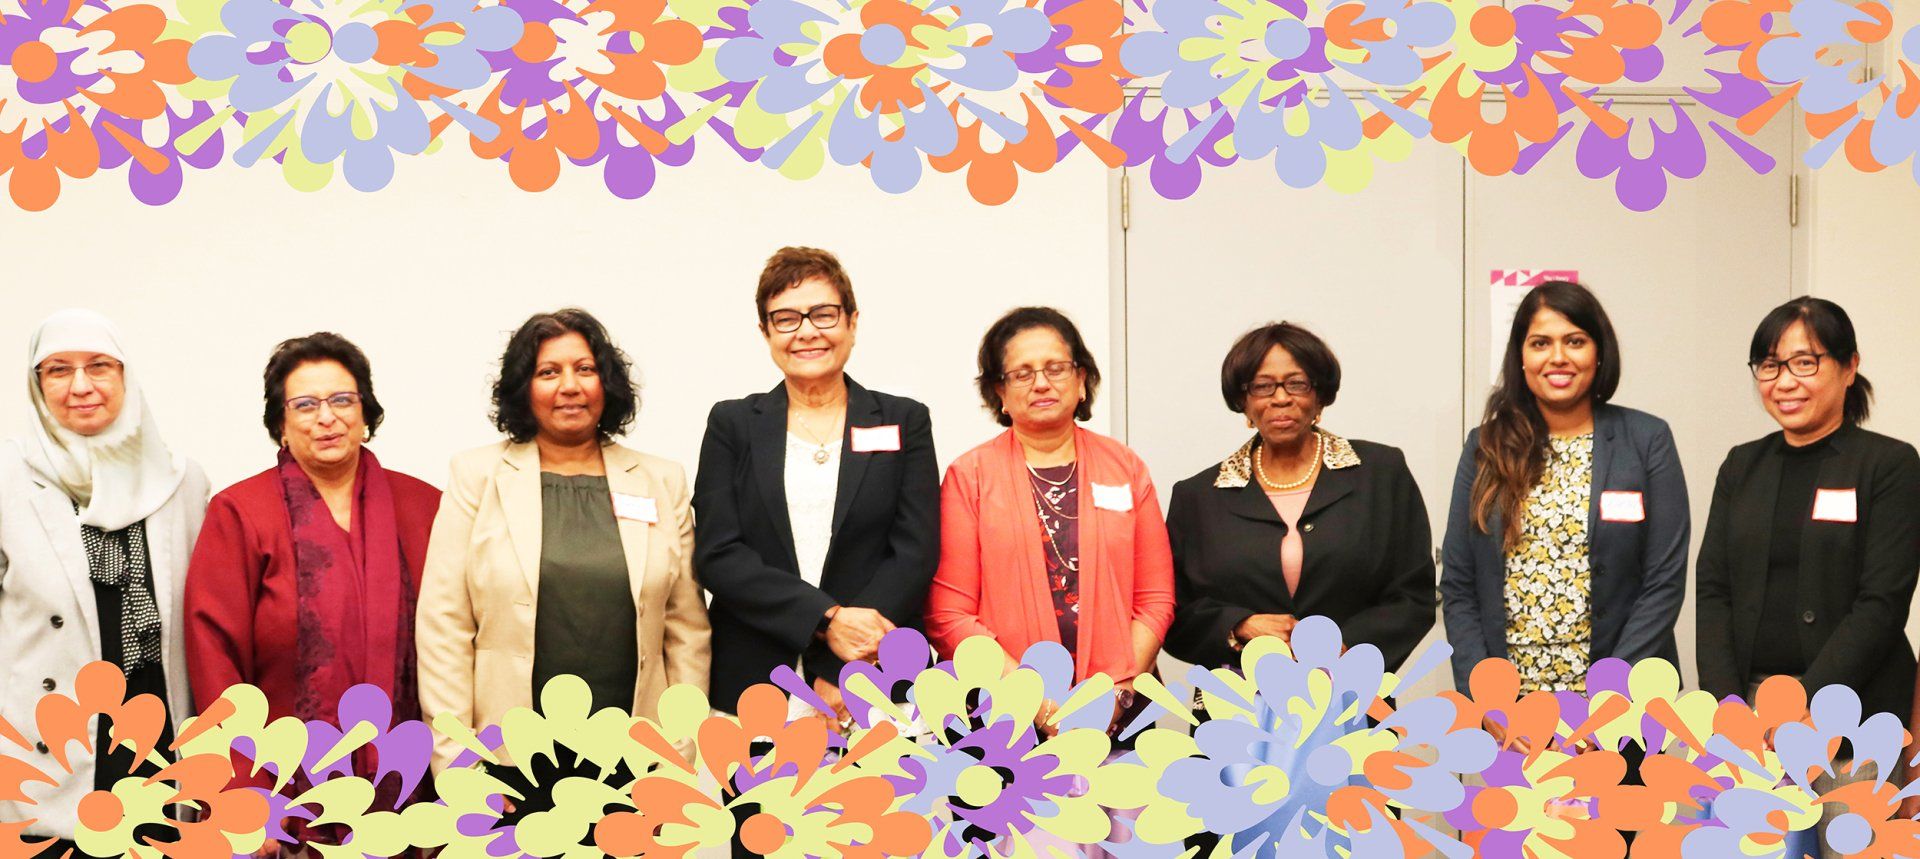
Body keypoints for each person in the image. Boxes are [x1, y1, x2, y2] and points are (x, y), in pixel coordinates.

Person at [416, 309, 710, 774]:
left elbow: (687, 632)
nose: (569, 386)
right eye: (548, 372)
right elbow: (443, 626)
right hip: (506, 761)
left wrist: (679, 756)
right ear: (523, 388)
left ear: (606, 383)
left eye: (585, 369)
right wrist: (458, 763)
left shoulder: (661, 480)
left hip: (638, 762)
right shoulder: (476, 476)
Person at [925, 306, 1173, 857]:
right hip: (1009, 727)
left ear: (1082, 379)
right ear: (999, 391)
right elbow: (949, 613)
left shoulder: (1126, 469)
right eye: (1022, 372)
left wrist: (1113, 688)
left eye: (1057, 367)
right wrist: (1035, 700)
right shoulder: (969, 477)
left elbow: (1155, 599)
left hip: (1120, 716)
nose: (1041, 382)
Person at [184, 332, 441, 850]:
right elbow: (217, 661)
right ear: (280, 423)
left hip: (412, 795)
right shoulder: (241, 513)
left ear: (367, 413)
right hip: (282, 793)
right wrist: (244, 794)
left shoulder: (425, 506)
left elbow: (460, 645)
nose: (327, 418)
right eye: (305, 404)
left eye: (342, 400)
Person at [1695, 298, 1919, 848]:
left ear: (1849, 367)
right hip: (1749, 715)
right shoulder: (1741, 464)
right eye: (1769, 365)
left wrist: (1802, 704)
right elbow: (1713, 591)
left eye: (1805, 362)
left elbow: (1882, 604)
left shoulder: (1889, 464)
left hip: (1853, 718)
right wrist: (1729, 709)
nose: (1784, 382)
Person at [693, 247, 939, 725]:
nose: (807, 331)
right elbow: (719, 554)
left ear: (851, 321)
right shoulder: (733, 424)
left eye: (823, 314)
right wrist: (826, 621)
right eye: (785, 318)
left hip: (877, 679)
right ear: (765, 332)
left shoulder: (904, 419)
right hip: (756, 684)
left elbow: (914, 550)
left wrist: (843, 668)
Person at [1, 310, 209, 859]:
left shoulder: (183, 481)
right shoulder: (7, 476)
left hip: (155, 744)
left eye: (99, 366)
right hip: (46, 747)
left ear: (126, 376)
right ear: (36, 384)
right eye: (57, 370)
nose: (80, 386)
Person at [1439, 281, 1689, 705]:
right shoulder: (1485, 446)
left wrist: (1612, 696)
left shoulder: (1647, 440)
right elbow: (1460, 586)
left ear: (1599, 352)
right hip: (1512, 710)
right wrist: (1485, 699)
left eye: (1575, 341)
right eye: (1540, 343)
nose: (1558, 357)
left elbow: (1663, 581)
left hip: (1623, 704)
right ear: (1520, 357)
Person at [1164, 322, 1435, 673]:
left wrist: (1346, 650)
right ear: (1243, 401)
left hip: (1352, 697)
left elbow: (1413, 594)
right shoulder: (1198, 497)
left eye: (1297, 383)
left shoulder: (1381, 474)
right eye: (1262, 386)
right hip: (1236, 706)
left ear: (1320, 395)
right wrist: (1239, 627)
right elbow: (1172, 610)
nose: (1280, 397)